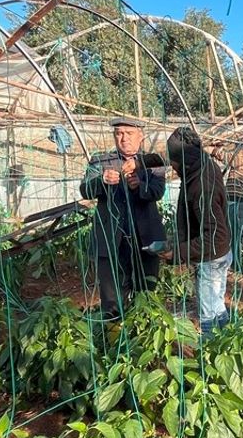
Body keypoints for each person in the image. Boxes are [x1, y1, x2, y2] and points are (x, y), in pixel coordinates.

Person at [79, 117, 166, 322]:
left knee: (146, 292)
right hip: (111, 239)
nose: (123, 138)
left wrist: (140, 186)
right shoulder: (100, 161)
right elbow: (85, 189)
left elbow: (158, 191)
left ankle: (143, 333)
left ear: (140, 137)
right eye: (119, 133)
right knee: (111, 297)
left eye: (129, 133)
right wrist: (101, 180)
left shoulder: (152, 163)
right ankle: (113, 335)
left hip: (145, 239)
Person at [161, 127, 233, 337]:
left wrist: (177, 252)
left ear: (182, 161)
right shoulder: (201, 163)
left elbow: (215, 236)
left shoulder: (202, 186)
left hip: (212, 259)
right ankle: (229, 341)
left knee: (208, 316)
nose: (172, 167)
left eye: (173, 162)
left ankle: (211, 359)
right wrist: (141, 162)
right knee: (217, 307)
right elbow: (165, 157)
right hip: (219, 255)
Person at [208, 140, 243, 277]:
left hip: (236, 201)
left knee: (236, 235)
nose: (235, 151)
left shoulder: (242, 158)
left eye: (236, 149)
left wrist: (214, 147)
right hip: (241, 202)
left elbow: (220, 155)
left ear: (242, 150)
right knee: (241, 234)